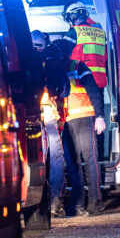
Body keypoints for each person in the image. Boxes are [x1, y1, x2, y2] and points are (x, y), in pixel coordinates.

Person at [59, 2, 108, 216]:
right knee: (84, 161)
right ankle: (86, 204)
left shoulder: (74, 40)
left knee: (84, 161)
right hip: (94, 94)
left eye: (70, 18)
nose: (70, 22)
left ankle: (91, 203)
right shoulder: (98, 30)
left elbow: (65, 47)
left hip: (82, 113)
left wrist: (98, 116)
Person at [31, 30, 67, 217]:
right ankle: (55, 202)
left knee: (43, 157)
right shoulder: (52, 59)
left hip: (32, 115)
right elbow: (62, 88)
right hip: (48, 113)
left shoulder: (26, 59)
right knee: (55, 157)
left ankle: (47, 201)